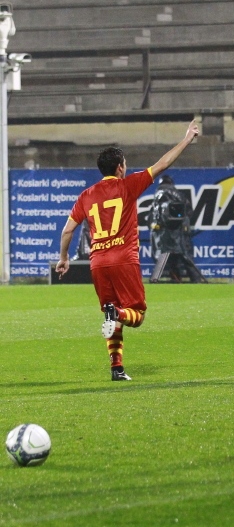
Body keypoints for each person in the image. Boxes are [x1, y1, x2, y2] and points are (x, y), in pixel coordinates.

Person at [55, 121, 200, 381]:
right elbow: (163, 164)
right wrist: (187, 139)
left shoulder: (86, 195)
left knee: (111, 316)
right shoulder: (128, 185)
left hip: (98, 263)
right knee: (136, 315)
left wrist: (64, 258)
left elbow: (67, 231)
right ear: (120, 167)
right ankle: (117, 314)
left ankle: (117, 368)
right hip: (124, 260)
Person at [149, 174, 206, 283]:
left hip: (164, 233)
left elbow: (154, 216)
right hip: (179, 232)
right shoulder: (179, 195)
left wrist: (158, 226)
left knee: (164, 256)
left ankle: (168, 279)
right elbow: (189, 212)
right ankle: (196, 280)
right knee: (185, 256)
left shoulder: (158, 195)